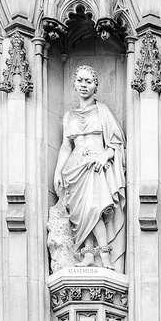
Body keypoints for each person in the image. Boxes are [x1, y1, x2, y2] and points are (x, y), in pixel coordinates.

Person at [50, 65, 126, 271]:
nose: (84, 85)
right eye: (80, 81)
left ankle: (104, 254)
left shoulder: (103, 111)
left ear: (96, 86)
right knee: (80, 214)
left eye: (88, 81)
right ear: (74, 84)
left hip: (95, 166)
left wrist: (104, 155)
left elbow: (117, 144)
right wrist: (58, 171)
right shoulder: (69, 116)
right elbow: (66, 146)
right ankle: (89, 255)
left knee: (93, 209)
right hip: (74, 167)